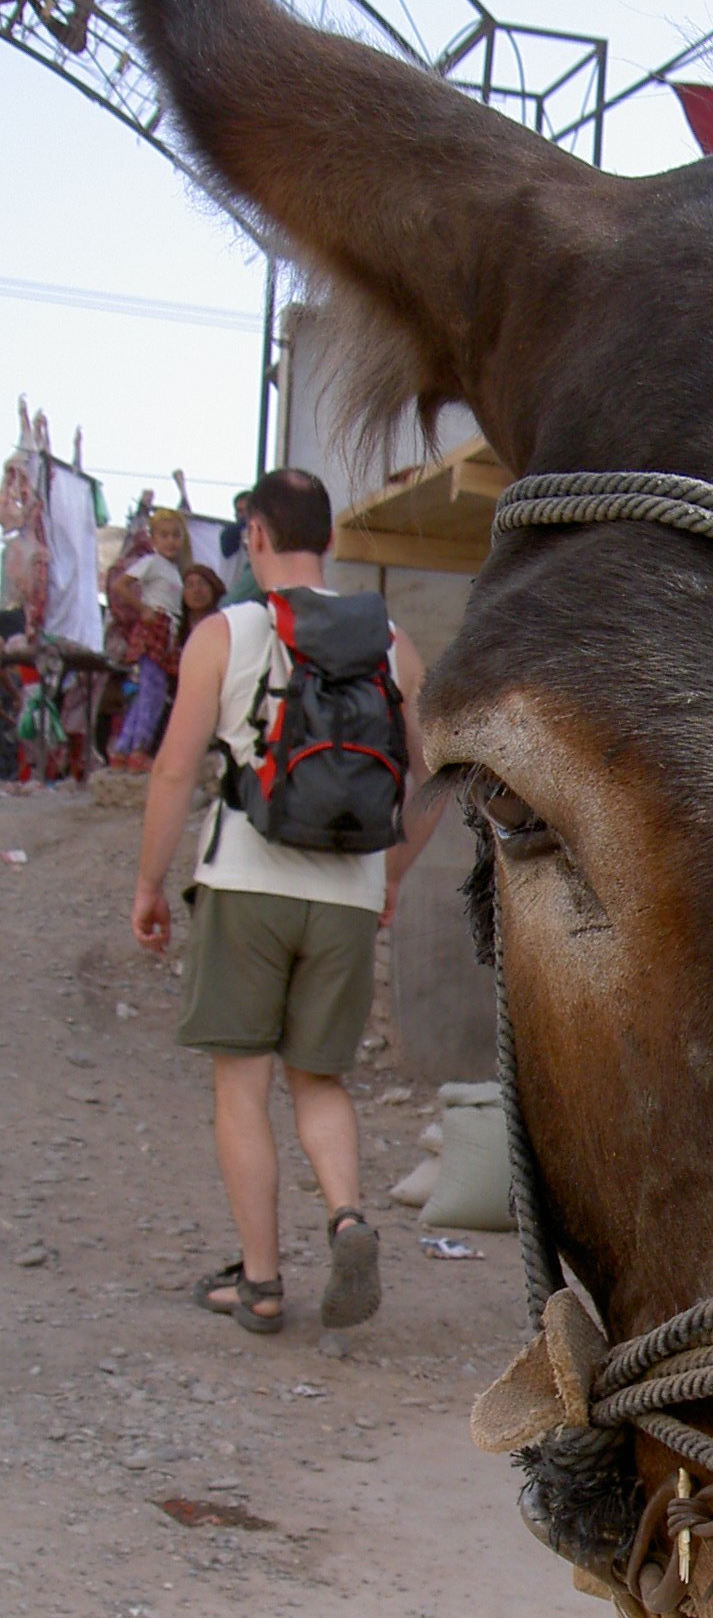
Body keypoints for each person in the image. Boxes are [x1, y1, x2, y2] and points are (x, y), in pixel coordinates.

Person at [130, 467, 436, 1334]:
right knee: (320, 1078)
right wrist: (392, 877)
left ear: (254, 537)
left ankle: (261, 1284)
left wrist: (150, 884)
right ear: (329, 541)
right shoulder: (392, 644)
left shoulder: (224, 634)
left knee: (242, 1084)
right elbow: (438, 777)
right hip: (345, 895)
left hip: (245, 884)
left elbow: (175, 769)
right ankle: (347, 1214)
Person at [108, 551, 183, 769]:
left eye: (175, 535)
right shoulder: (151, 562)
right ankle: (139, 749)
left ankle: (124, 750)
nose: (171, 542)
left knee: (148, 693)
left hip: (168, 628)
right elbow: (119, 585)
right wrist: (143, 609)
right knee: (152, 693)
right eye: (164, 535)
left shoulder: (174, 570)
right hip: (155, 626)